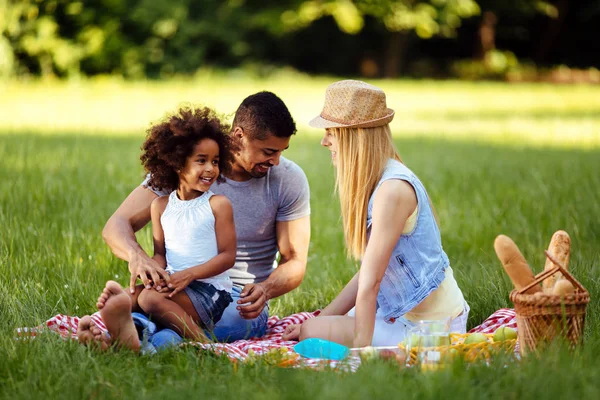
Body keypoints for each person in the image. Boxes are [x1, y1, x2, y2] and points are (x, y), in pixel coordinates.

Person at [78, 91, 310, 350]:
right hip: (179, 286)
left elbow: (295, 261)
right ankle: (150, 341)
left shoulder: (288, 179)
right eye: (268, 151)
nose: (275, 161)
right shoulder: (189, 166)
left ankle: (135, 332)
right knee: (149, 301)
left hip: (237, 299)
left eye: (281, 152)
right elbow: (116, 226)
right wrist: (139, 258)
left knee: (154, 303)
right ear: (239, 136)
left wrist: (265, 289)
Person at [283, 80, 469, 348]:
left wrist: (361, 348)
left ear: (354, 135)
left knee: (313, 331)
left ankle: (392, 352)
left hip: (432, 328)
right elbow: (368, 275)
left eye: (331, 132)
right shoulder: (381, 180)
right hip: (404, 314)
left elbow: (371, 283)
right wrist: (325, 317)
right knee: (316, 324)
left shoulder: (392, 192)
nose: (324, 142)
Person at [79, 106, 237, 350]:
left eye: (215, 162)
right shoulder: (160, 206)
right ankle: (107, 337)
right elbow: (161, 254)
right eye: (201, 161)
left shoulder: (218, 205)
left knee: (149, 299)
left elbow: (228, 257)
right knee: (128, 296)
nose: (211, 169)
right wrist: (156, 275)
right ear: (177, 163)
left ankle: (205, 344)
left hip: (211, 291)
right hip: (176, 284)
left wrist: (189, 274)